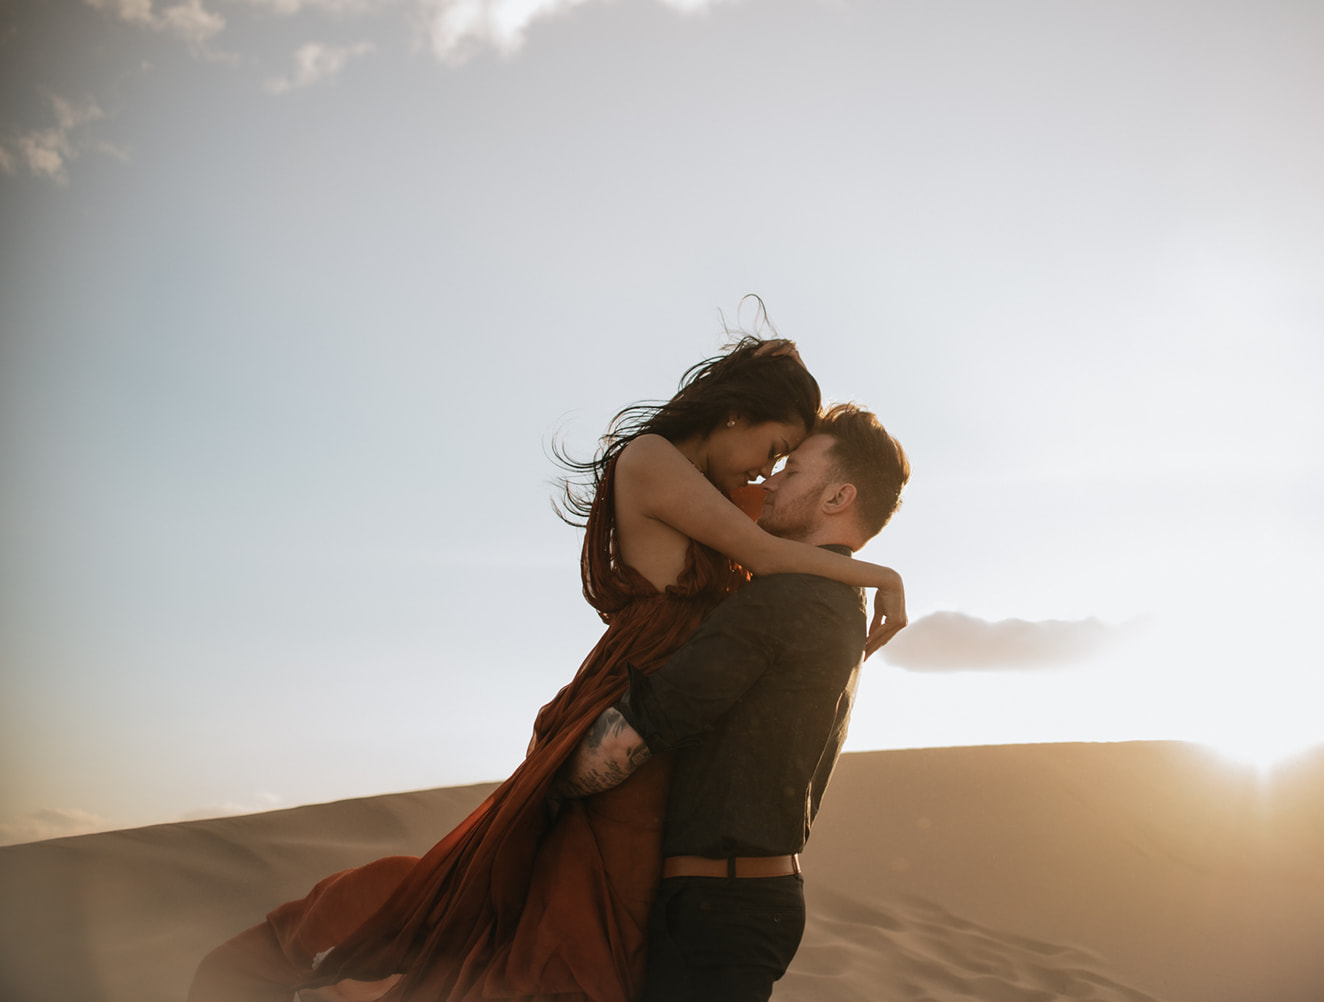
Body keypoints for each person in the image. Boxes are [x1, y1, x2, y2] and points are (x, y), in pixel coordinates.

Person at [188, 337, 906, 1002]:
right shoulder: (653, 461)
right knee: (550, 914)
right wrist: (883, 576)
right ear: (737, 412)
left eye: (787, 464)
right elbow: (780, 556)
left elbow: (801, 540)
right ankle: (285, 946)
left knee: (548, 906)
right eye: (772, 450)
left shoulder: (728, 497)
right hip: (632, 702)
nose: (767, 473)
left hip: (666, 734)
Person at [555, 404, 910, 1001]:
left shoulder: (787, 598)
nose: (770, 481)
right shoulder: (841, 602)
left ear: (837, 497)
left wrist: (552, 779)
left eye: (791, 471)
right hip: (740, 907)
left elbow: (646, 725)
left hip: (715, 915)